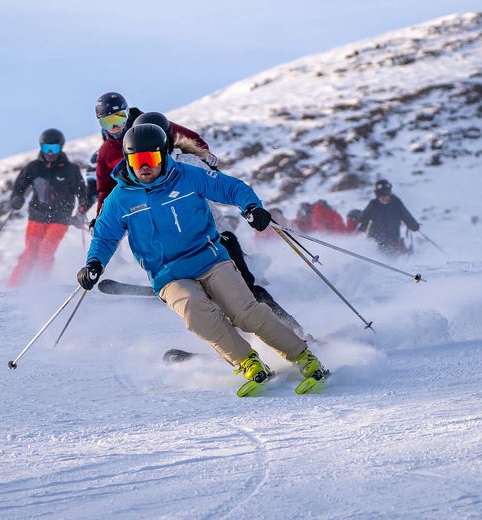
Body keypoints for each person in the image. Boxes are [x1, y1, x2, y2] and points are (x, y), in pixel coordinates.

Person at [76, 124, 325, 384]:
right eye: (137, 160)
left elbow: (232, 188)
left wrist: (251, 207)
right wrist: (94, 263)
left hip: (210, 259)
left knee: (246, 312)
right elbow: (105, 235)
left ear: (163, 155)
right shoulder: (120, 199)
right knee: (197, 313)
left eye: (151, 158)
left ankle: (303, 356)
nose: (144, 166)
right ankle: (247, 361)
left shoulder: (186, 176)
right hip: (167, 274)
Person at [133, 111, 308, 337]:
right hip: (182, 251)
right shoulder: (136, 178)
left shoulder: (187, 163)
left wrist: (251, 207)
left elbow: (226, 188)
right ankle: (247, 346)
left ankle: (293, 331)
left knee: (244, 292)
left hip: (216, 239)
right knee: (208, 306)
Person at [92, 92, 217, 220]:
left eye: (118, 119)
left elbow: (188, 137)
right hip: (147, 200)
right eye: (107, 122)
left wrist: (204, 155)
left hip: (175, 181)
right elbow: (105, 190)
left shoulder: (149, 125)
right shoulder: (106, 152)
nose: (114, 127)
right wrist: (99, 219)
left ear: (127, 113)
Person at [8, 129, 87, 287]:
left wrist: (81, 213)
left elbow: (82, 193)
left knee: (45, 251)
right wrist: (17, 198)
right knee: (30, 252)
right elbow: (20, 185)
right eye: (46, 148)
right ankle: (14, 287)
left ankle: (41, 287)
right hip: (37, 214)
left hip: (61, 217)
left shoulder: (71, 170)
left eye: (55, 149)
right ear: (41, 147)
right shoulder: (34, 167)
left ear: (61, 148)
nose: (50, 153)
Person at [356, 179, 420, 256]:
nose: (383, 198)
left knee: (391, 258)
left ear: (389, 193)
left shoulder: (396, 203)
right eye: (380, 196)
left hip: (392, 239)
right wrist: (362, 227)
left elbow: (406, 215)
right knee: (376, 258)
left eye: (385, 195)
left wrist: (413, 225)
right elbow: (364, 218)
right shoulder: (373, 204)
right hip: (375, 239)